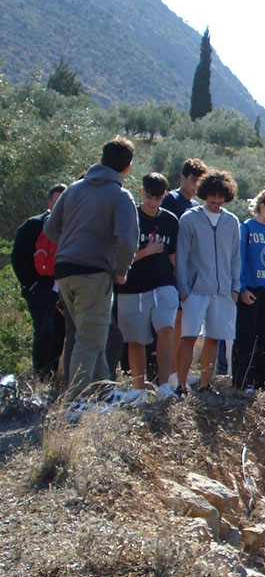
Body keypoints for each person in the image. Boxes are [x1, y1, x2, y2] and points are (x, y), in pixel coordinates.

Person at [43, 137, 139, 395]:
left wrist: (72, 243)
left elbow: (51, 228)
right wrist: (121, 271)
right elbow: (128, 241)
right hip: (94, 273)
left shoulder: (73, 189)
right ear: (127, 168)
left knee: (92, 333)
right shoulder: (120, 195)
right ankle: (77, 399)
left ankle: (104, 390)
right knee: (89, 338)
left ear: (102, 157)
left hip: (63, 271)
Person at [174, 170, 241, 395]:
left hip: (223, 292)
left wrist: (234, 289)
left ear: (227, 196)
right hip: (195, 291)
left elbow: (235, 258)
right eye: (212, 195)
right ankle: (180, 385)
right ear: (204, 194)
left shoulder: (232, 222)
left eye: (220, 196)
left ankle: (204, 385)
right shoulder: (189, 218)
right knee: (188, 337)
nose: (216, 200)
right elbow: (181, 256)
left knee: (214, 338)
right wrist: (184, 289)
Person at [114, 173, 179, 401]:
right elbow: (118, 256)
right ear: (142, 193)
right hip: (132, 287)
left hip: (163, 285)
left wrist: (180, 285)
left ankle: (164, 386)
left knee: (165, 329)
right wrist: (144, 252)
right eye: (149, 197)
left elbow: (173, 256)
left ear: (164, 196)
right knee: (136, 339)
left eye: (157, 198)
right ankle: (139, 391)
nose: (152, 202)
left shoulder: (171, 220)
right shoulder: (130, 217)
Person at [12, 184, 67, 380]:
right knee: (44, 328)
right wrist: (31, 285)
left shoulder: (72, 227)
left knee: (60, 333)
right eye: (57, 200)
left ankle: (51, 377)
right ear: (49, 202)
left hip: (63, 290)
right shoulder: (32, 225)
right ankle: (40, 376)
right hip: (39, 291)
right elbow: (18, 258)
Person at [233, 188, 265, 393]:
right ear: (262, 206)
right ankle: (242, 381)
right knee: (246, 337)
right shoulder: (246, 228)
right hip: (251, 290)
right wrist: (242, 288)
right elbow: (240, 260)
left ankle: (263, 383)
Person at [162, 158, 206, 375]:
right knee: (172, 323)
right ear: (182, 178)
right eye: (193, 180)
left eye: (200, 181)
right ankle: (168, 372)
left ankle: (178, 373)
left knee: (185, 325)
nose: (196, 185)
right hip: (169, 271)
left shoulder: (197, 207)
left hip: (191, 273)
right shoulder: (170, 200)